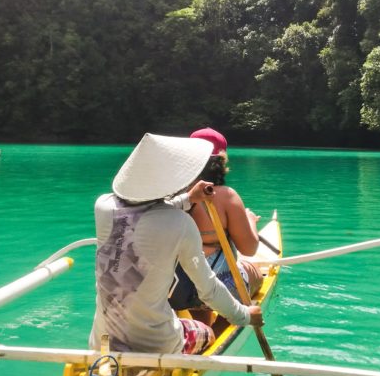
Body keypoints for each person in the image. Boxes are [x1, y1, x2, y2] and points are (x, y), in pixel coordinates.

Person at [90, 133, 263, 355]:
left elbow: (145, 212)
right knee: (206, 332)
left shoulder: (103, 206)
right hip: (157, 342)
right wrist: (246, 315)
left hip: (103, 341)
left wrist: (189, 199)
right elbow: (208, 289)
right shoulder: (179, 223)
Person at [168, 128, 262, 313]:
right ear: (222, 159)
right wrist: (251, 221)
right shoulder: (227, 196)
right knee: (255, 272)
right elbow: (249, 249)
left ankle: (200, 315)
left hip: (177, 284)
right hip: (217, 286)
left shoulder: (173, 195)